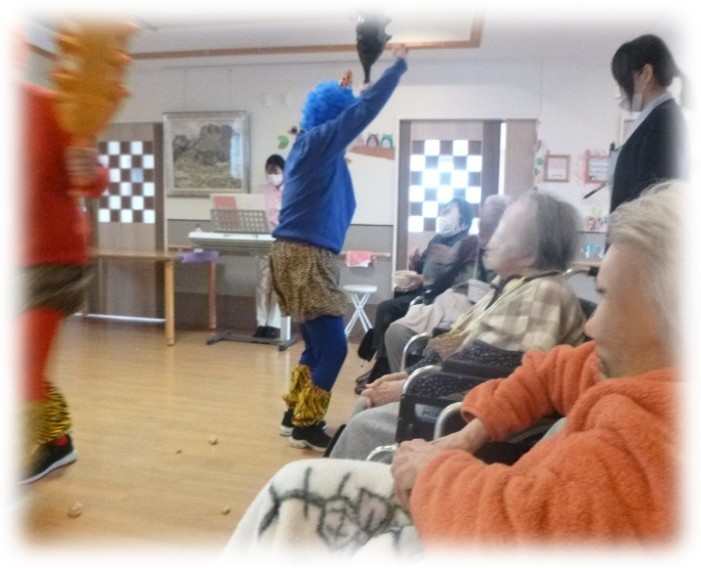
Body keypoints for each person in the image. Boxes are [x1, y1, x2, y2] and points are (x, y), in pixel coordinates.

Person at [222, 180, 682, 557]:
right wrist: (467, 426)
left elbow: (492, 367)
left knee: (343, 441)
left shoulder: (647, 443)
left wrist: (425, 431)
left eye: (608, 298)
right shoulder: (598, 352)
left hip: (465, 471)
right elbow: (538, 369)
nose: (591, 326)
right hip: (462, 434)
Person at [330, 191, 587, 460]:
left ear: (530, 252)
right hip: (463, 396)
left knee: (364, 426)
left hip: (482, 418)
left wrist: (407, 387)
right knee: (366, 403)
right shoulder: (512, 284)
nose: (488, 236)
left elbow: (492, 369)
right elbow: (459, 345)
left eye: (502, 227)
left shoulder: (543, 293)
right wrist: (406, 376)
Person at [271, 45, 408, 452]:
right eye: (344, 118)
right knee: (332, 346)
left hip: (302, 254)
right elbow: (362, 112)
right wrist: (397, 67)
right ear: (334, 118)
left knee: (317, 345)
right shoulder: (316, 145)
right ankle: (307, 425)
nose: (350, 130)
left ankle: (294, 416)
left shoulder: (315, 150)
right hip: (305, 256)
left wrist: (352, 88)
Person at [19, 80, 109, 484]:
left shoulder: (48, 105)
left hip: (50, 264)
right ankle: (55, 439)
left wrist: (88, 170)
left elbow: (95, 179)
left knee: (22, 367)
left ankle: (50, 445)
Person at [358, 196, 483, 388]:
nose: (443, 217)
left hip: (441, 301)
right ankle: (381, 363)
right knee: (388, 306)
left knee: (388, 309)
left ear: (464, 222)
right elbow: (422, 270)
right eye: (442, 212)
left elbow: (459, 284)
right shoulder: (437, 240)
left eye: (448, 213)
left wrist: (426, 278)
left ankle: (383, 367)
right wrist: (415, 262)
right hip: (424, 294)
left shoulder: (468, 244)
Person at [609, 34, 689, 213]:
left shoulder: (663, 123)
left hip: (642, 229)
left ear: (646, 74)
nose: (622, 89)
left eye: (624, 81)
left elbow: (654, 200)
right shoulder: (657, 118)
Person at [252, 154, 285, 339]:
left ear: (283, 171)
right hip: (264, 240)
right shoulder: (262, 190)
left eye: (275, 171)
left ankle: (273, 324)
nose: (272, 174)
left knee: (278, 285)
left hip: (284, 241)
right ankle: (261, 322)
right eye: (269, 171)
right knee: (262, 284)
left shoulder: (292, 189)